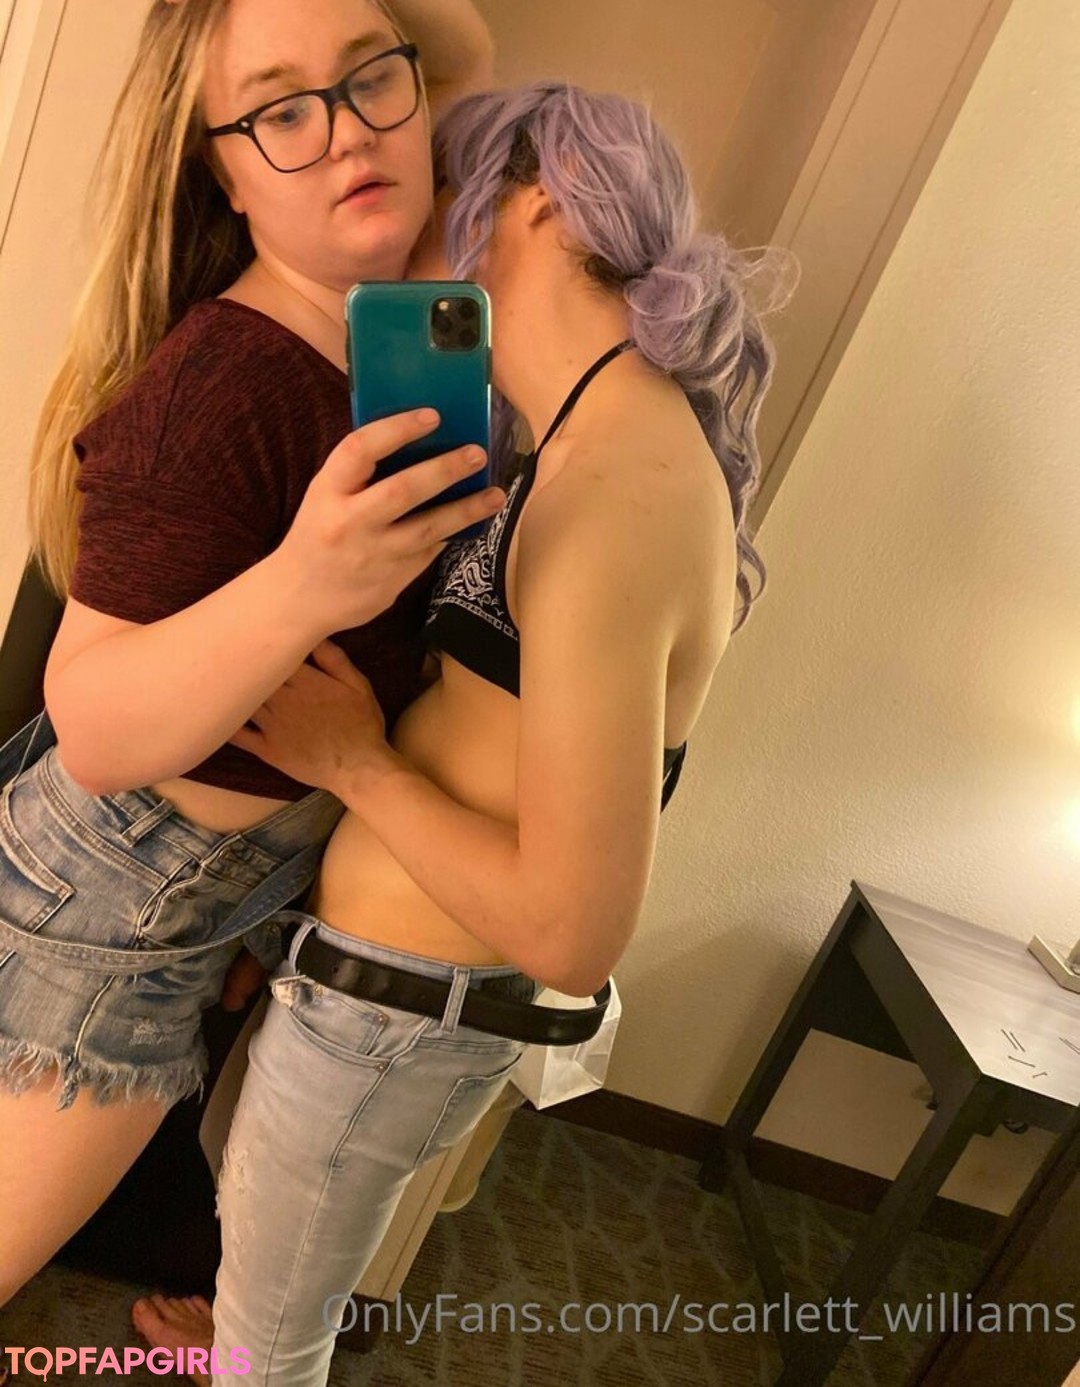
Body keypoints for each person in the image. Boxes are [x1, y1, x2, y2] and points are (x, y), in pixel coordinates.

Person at [131, 79, 786, 1386]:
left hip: (401, 1015)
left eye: (441, 199)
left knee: (277, 1352)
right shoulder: (576, 441)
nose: (402, 234)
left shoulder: (616, 491)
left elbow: (572, 933)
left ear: (538, 206)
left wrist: (352, 761)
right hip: (379, 994)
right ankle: (249, 1329)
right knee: (261, 1266)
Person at [0, 0, 505, 1322]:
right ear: (221, 170)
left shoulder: (389, 304)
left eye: (368, 80)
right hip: (110, 911)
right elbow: (94, 726)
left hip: (201, 895)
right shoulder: (221, 385)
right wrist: (307, 583)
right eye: (280, 111)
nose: (346, 135)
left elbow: (457, 51)